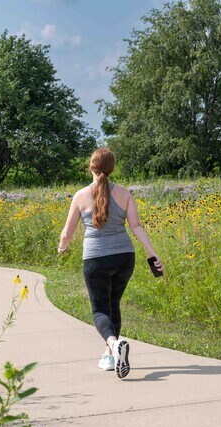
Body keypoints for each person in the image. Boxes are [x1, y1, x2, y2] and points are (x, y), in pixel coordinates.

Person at [57, 147, 163, 379]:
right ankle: (110, 354)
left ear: (91, 167)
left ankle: (114, 345)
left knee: (100, 309)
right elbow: (136, 227)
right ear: (112, 168)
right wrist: (153, 255)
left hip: (96, 258)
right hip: (125, 257)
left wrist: (61, 248)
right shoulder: (124, 194)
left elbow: (68, 232)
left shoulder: (80, 195)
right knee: (113, 304)